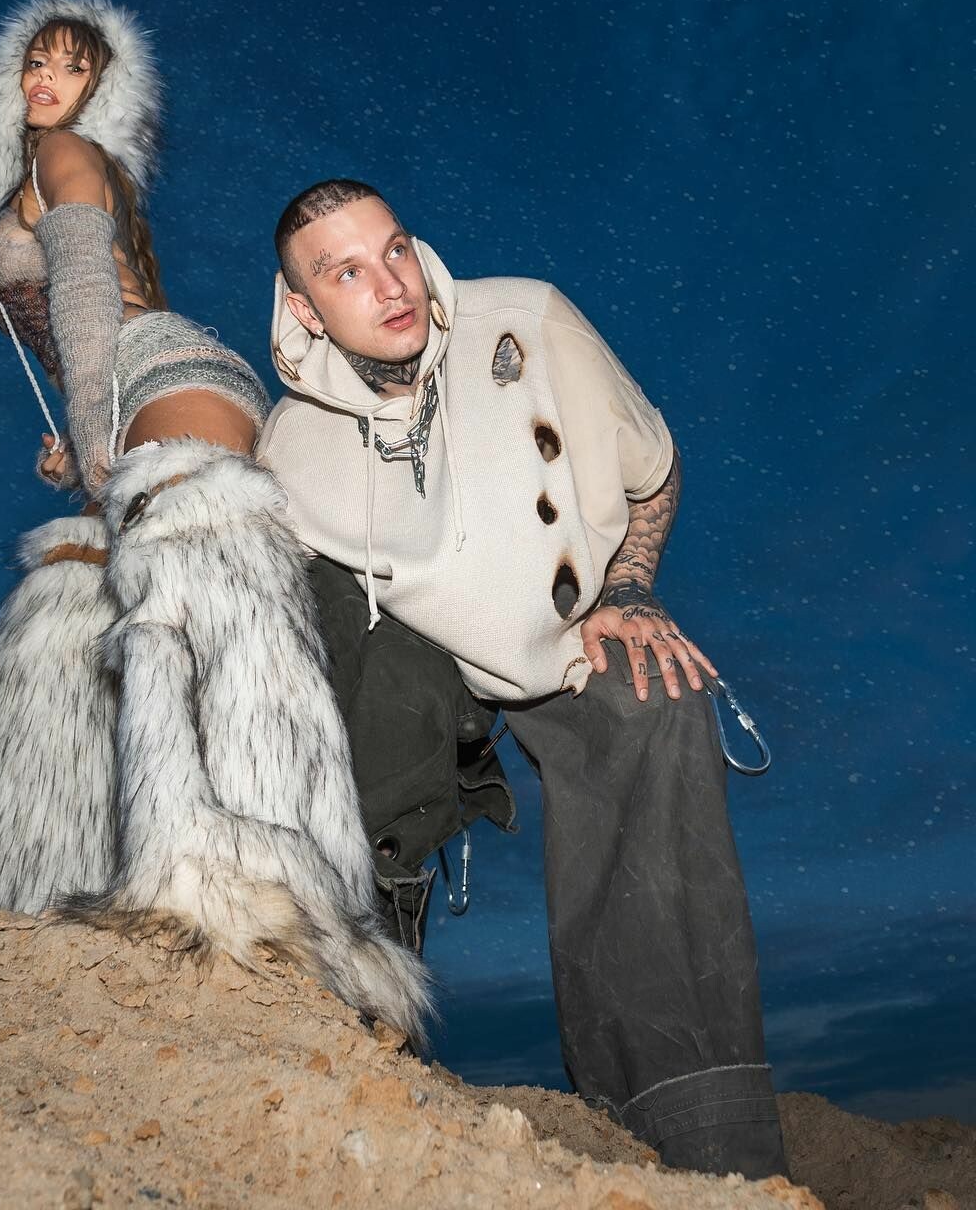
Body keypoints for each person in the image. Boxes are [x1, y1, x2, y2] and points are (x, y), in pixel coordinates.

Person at [254, 178, 789, 1180]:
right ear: (305, 309)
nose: (391, 284)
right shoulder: (291, 445)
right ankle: (360, 1001)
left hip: (565, 630)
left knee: (657, 703)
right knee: (353, 656)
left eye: (395, 248)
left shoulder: (529, 322)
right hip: (418, 658)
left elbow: (654, 473)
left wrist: (631, 587)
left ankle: (691, 1124)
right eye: (346, 272)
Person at [0, 0, 426, 1038]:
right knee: (75, 606)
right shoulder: (47, 167)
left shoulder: (64, 155)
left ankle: (264, 891)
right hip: (130, 386)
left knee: (203, 584)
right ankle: (33, 888)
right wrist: (88, 450)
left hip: (157, 371)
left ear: (100, 89)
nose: (45, 80)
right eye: (34, 63)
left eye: (71, 65)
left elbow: (86, 297)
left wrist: (96, 428)